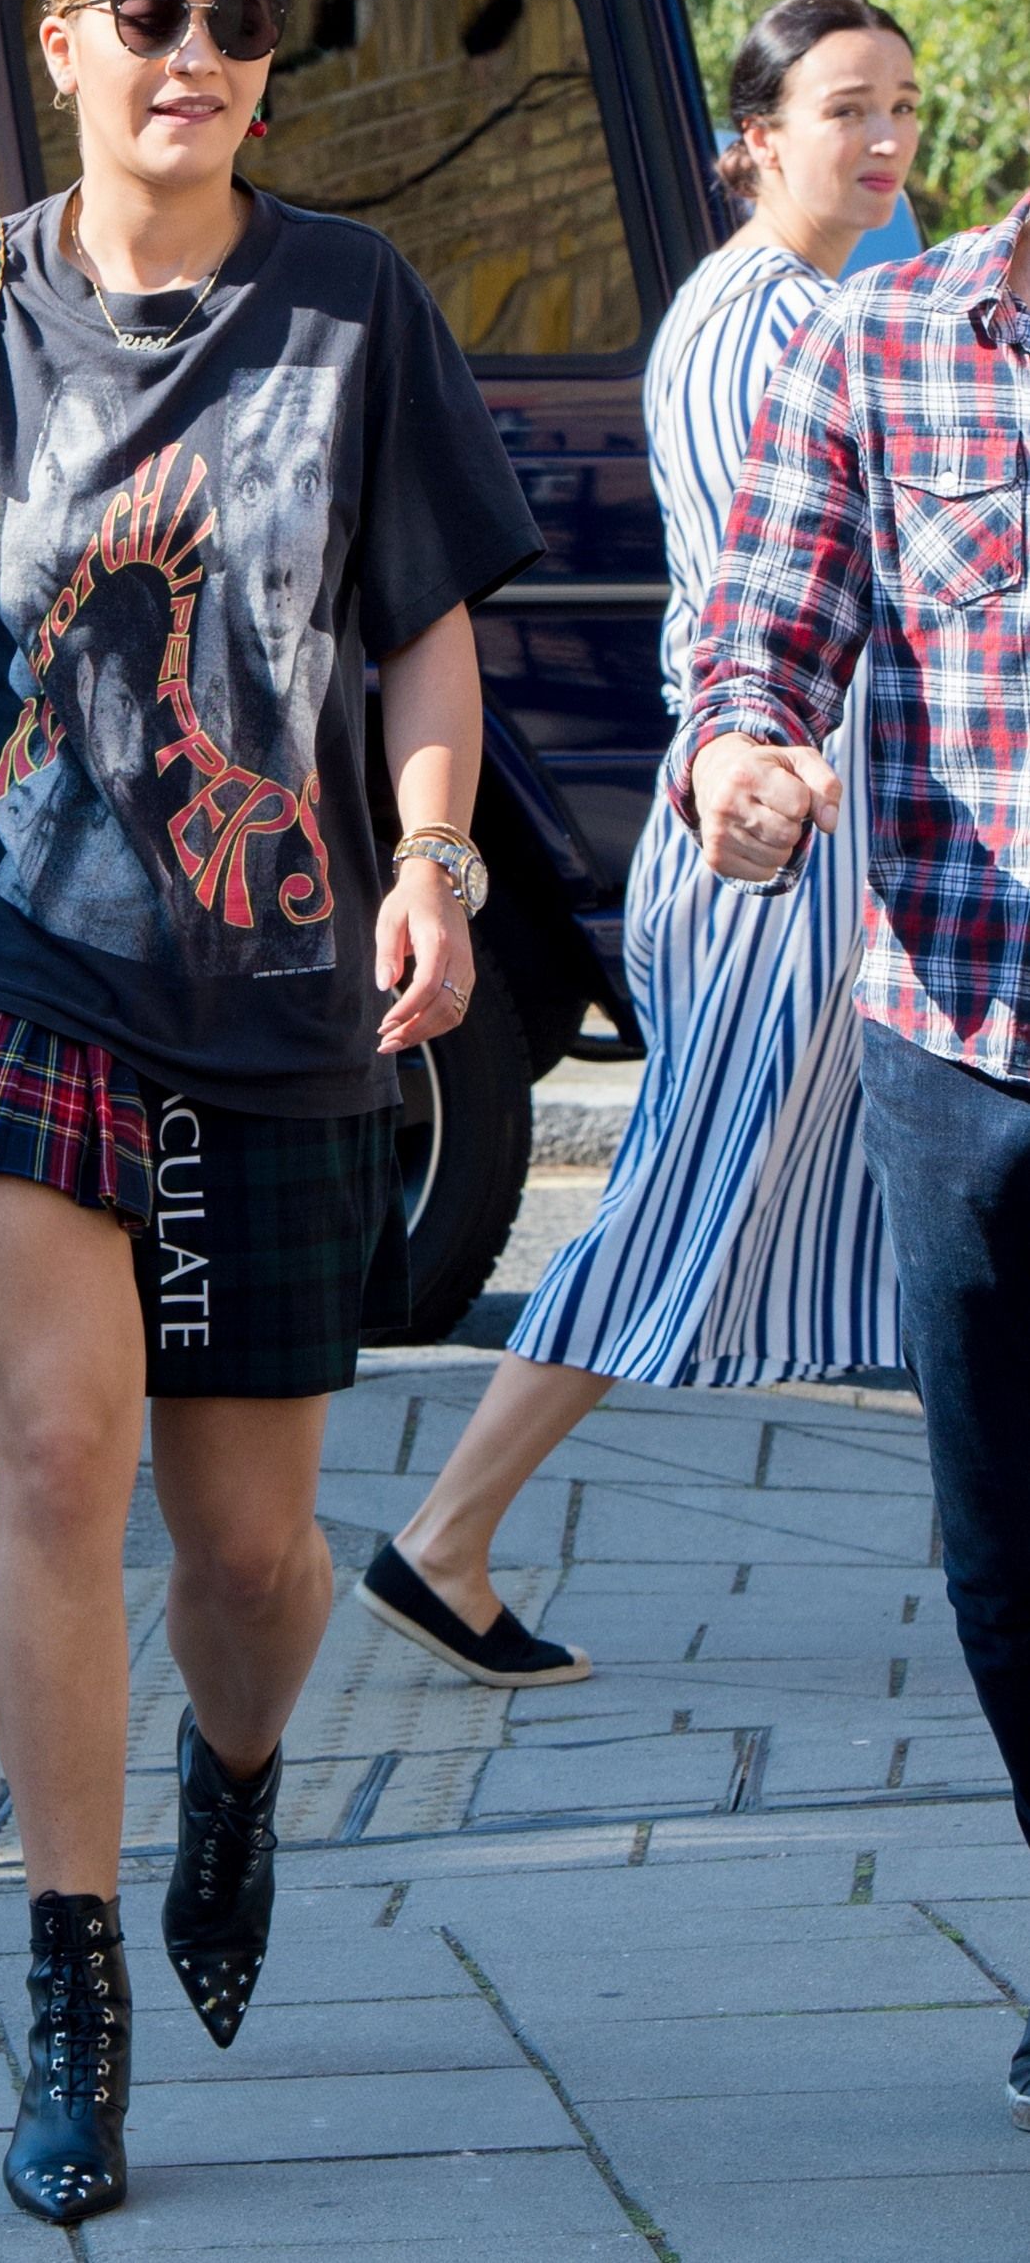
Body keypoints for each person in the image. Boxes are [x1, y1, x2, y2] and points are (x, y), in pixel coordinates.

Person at [0, 0, 540, 2225]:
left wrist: (433, 855)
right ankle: (69, 1987)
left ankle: (236, 1777)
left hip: (273, 988)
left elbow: (419, 632)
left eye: (241, 23)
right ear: (59, 39)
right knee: (58, 1456)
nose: (198, 59)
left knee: (251, 1555)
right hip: (7, 958)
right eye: (153, 15)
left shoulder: (351, 304)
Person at [355, 0, 917, 1686]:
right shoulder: (774, 323)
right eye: (844, 108)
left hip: (813, 829)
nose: (885, 138)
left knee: (915, 1182)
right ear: (752, 140)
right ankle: (443, 1539)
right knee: (689, 1192)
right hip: (780, 836)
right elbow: (792, 606)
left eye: (901, 104)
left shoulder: (798, 305)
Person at [673, 166, 1030, 2136]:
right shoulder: (885, 341)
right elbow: (761, 635)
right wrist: (738, 764)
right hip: (961, 1034)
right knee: (1004, 1551)